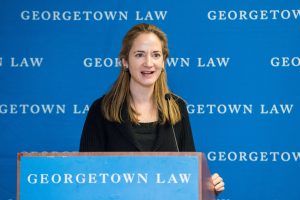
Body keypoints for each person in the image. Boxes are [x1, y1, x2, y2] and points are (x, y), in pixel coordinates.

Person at [79, 23, 224, 194]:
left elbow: (189, 174)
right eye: (139, 55)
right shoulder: (101, 109)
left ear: (163, 61)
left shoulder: (177, 108)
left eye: (156, 55)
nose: (148, 63)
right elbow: (87, 177)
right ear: (125, 61)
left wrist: (207, 188)